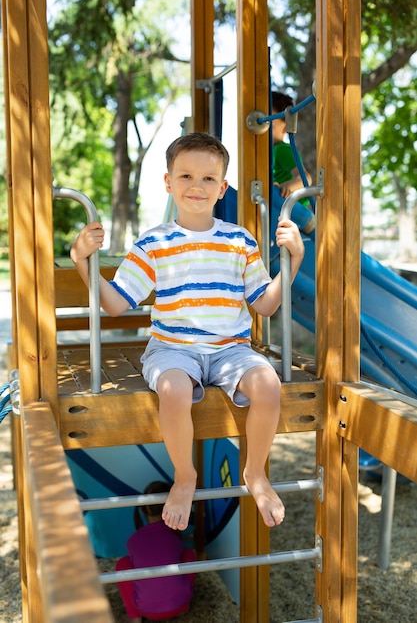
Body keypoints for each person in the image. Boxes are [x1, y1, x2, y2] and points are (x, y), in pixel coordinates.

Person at [70, 131, 305, 533]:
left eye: (208, 179)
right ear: (168, 182)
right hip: (173, 348)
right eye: (185, 176)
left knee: (268, 382)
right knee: (174, 389)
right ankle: (184, 475)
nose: (197, 186)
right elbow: (114, 304)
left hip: (231, 350)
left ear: (222, 188)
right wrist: (80, 260)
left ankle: (255, 472)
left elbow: (265, 303)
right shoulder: (154, 243)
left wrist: (294, 258)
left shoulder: (238, 241)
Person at [115, 481, 196, 622]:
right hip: (179, 605)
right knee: (189, 554)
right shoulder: (174, 536)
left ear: (143, 510)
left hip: (145, 610)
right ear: (173, 507)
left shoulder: (133, 540)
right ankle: (185, 607)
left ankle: (135, 616)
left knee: (122, 564)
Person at [271, 91, 313, 207]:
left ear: (285, 129)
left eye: (270, 126)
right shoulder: (266, 153)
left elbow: (306, 179)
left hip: (294, 212)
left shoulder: (281, 150)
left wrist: (286, 187)